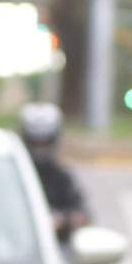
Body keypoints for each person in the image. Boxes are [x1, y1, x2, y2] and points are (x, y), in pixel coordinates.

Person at [19, 101, 89, 243]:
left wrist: (62, 221)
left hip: (57, 248)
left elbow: (82, 214)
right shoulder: (14, 175)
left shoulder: (62, 177)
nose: (40, 147)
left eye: (44, 142)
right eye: (35, 141)